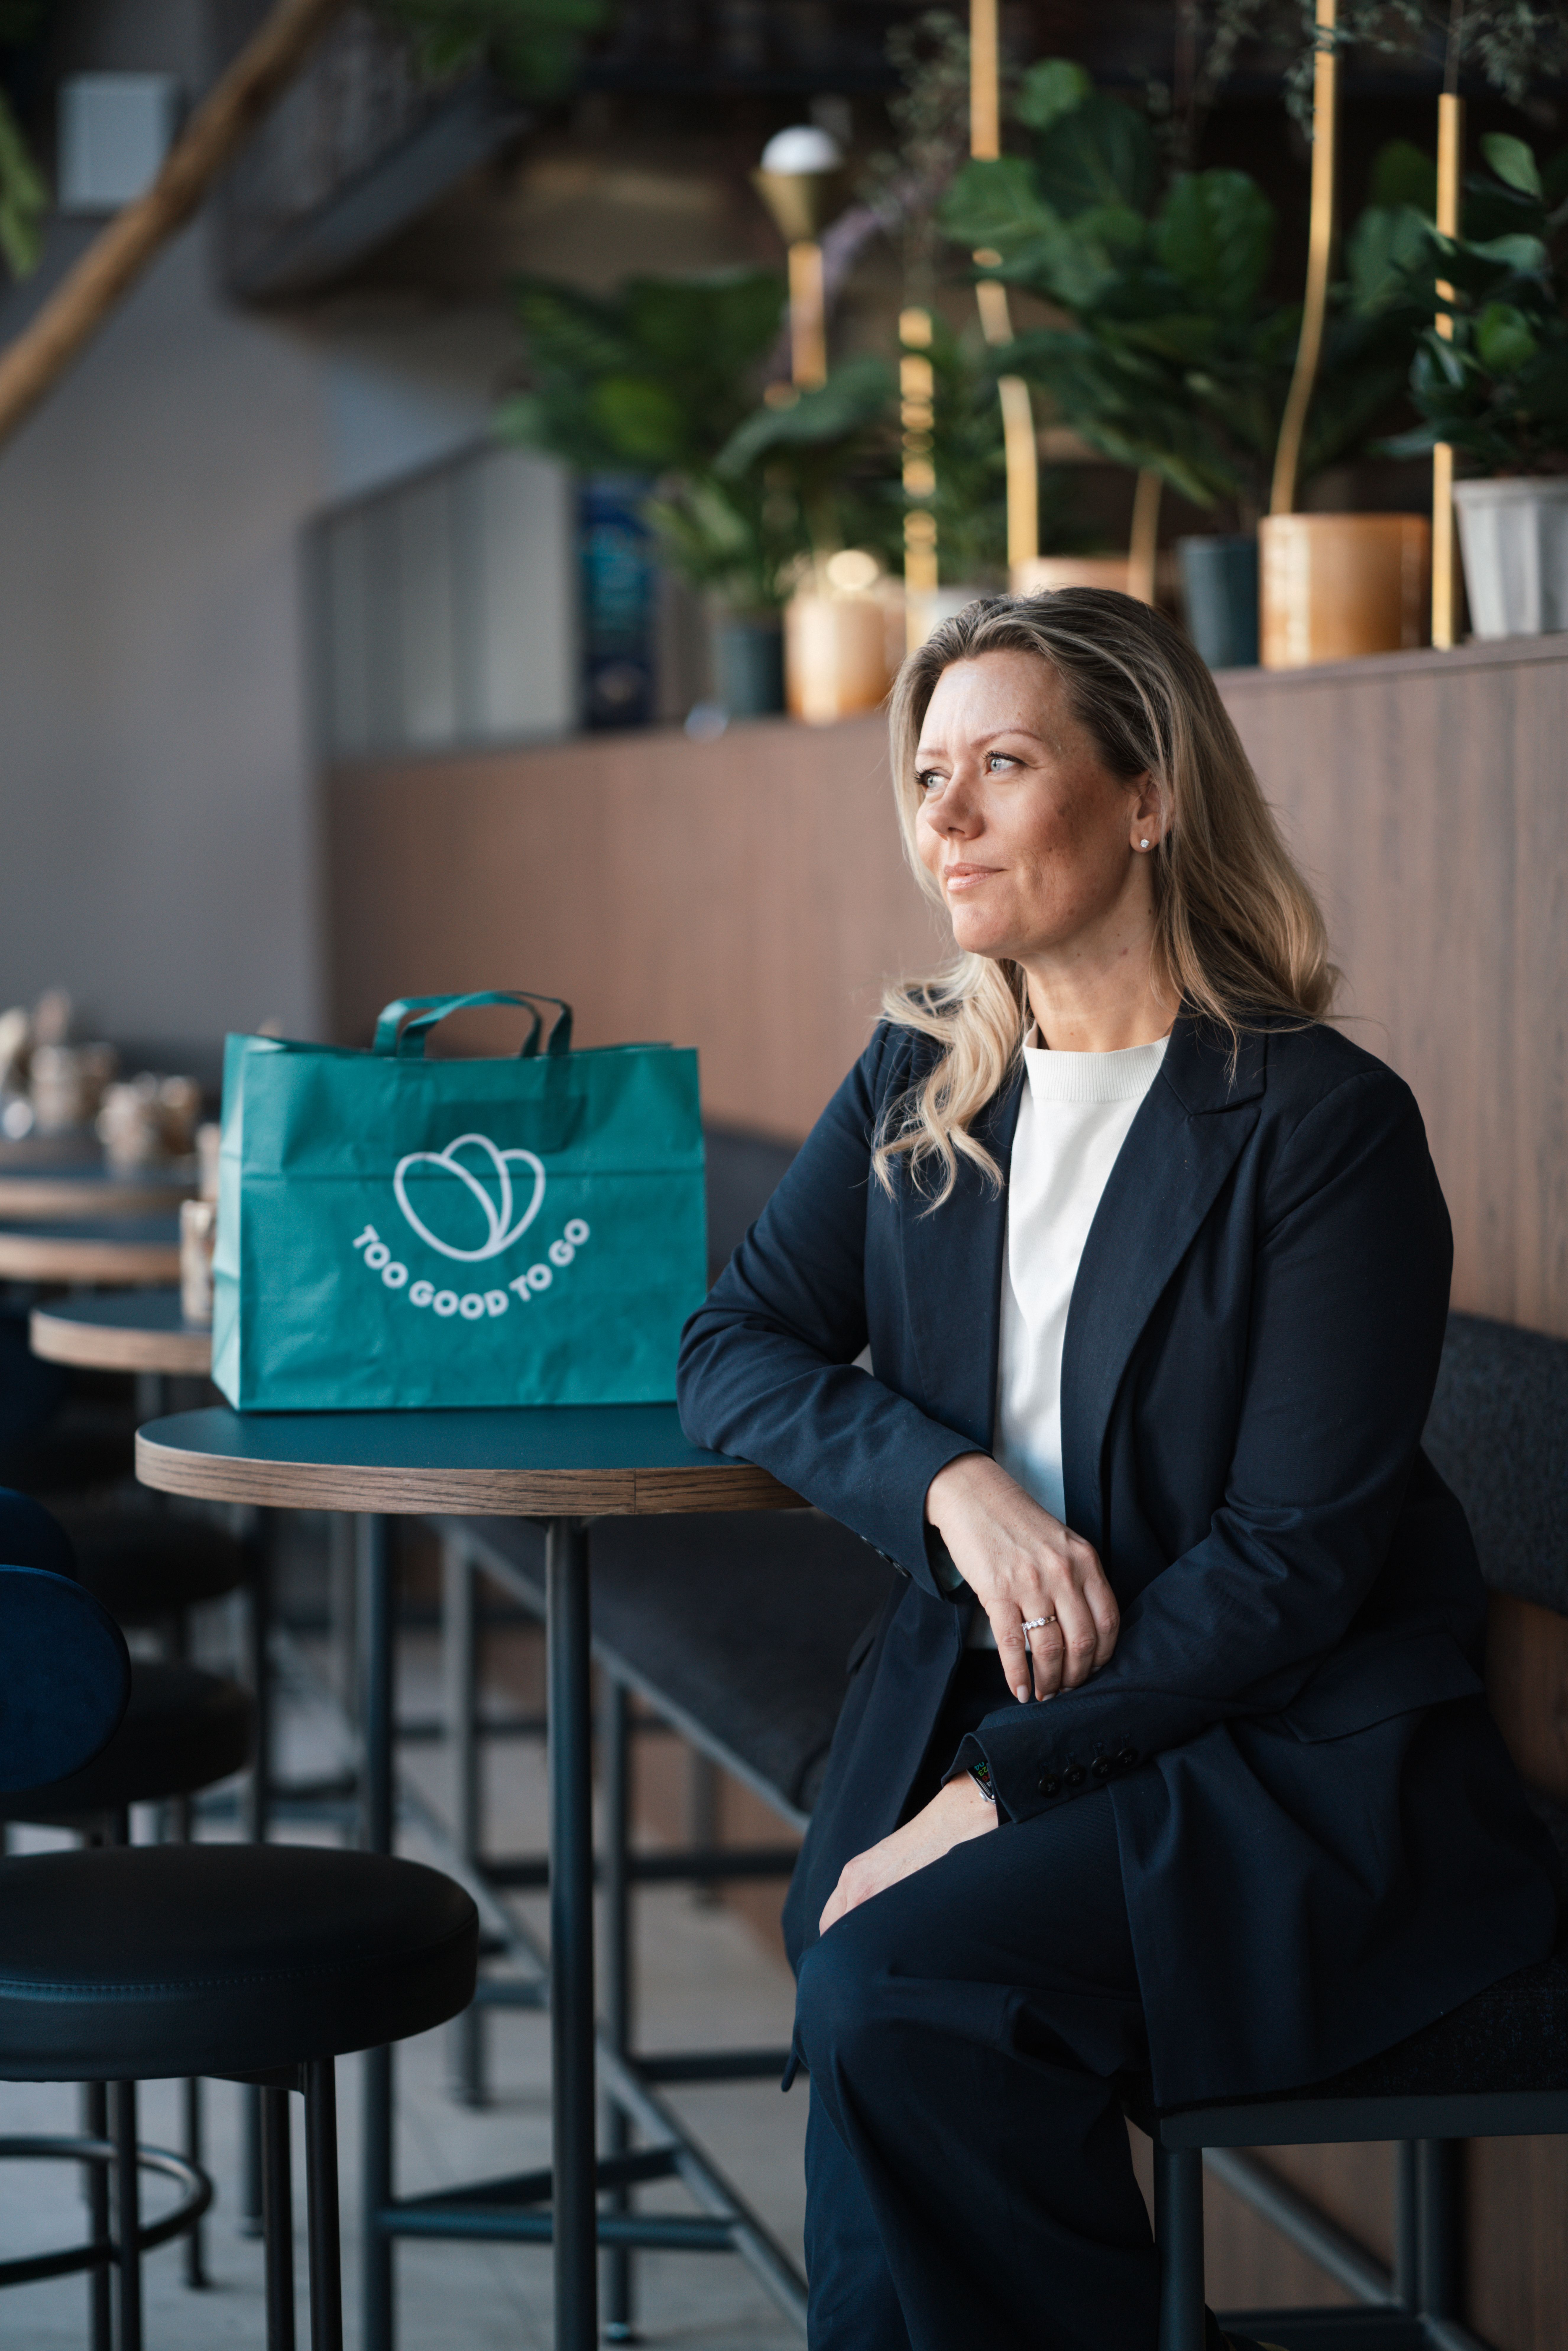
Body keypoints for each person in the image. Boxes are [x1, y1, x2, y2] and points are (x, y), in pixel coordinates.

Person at [676, 591, 1560, 2351]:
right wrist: (948, 1484)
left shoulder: (1315, 1122)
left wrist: (995, 1789)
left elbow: (1290, 1566)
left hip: (1274, 1742)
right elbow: (732, 1352)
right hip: (993, 1685)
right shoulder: (924, 1078)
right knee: (868, 1972)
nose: (944, 817)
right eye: (927, 773)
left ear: (1146, 793)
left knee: (899, 1977)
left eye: (1002, 764)